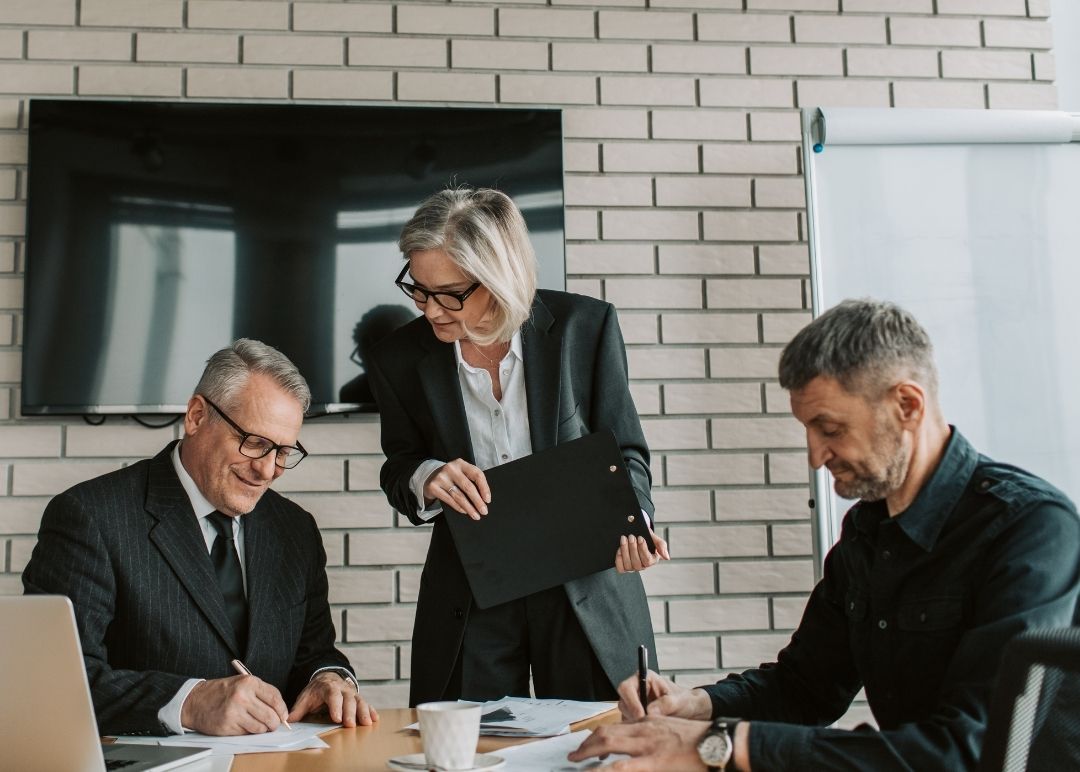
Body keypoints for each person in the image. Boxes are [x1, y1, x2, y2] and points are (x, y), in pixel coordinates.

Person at [569, 299, 1080, 771]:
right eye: (808, 432)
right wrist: (696, 705)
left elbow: (969, 751)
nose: (815, 456)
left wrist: (717, 745)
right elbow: (805, 688)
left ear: (907, 405)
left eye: (830, 429)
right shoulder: (867, 529)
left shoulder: (1031, 527)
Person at [367, 187, 671, 706]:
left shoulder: (586, 328)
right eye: (418, 290)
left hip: (587, 580)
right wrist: (427, 477)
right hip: (472, 587)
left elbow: (626, 452)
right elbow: (399, 465)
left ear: (499, 278)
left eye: (449, 293)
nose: (430, 309)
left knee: (601, 745)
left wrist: (635, 518)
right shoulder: (397, 358)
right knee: (467, 750)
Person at [23, 339, 378, 737]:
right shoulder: (91, 517)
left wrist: (328, 678)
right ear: (196, 416)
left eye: (282, 451)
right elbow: (53, 678)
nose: (267, 470)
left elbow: (314, 652)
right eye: (255, 443)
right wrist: (189, 702)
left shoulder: (295, 529)